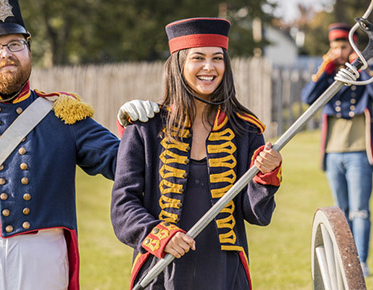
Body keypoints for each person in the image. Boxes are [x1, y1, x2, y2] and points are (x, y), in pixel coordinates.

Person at [0, 1, 155, 289]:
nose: (6, 54)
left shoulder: (64, 114)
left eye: (15, 44)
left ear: (29, 50)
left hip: (45, 259)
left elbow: (122, 163)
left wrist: (136, 129)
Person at [110, 17, 283, 290]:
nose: (209, 67)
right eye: (198, 58)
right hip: (162, 269)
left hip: (224, 272)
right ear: (179, 65)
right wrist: (159, 235)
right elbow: (123, 206)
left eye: (217, 58)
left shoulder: (246, 130)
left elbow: (257, 214)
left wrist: (265, 176)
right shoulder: (144, 128)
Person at [299, 22, 373, 277]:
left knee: (360, 210)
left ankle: (361, 262)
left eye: (344, 46)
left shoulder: (366, 70)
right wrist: (327, 66)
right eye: (335, 47)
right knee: (341, 212)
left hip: (359, 151)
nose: (339, 51)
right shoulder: (328, 74)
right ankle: (346, 262)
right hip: (332, 152)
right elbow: (308, 98)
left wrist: (361, 65)